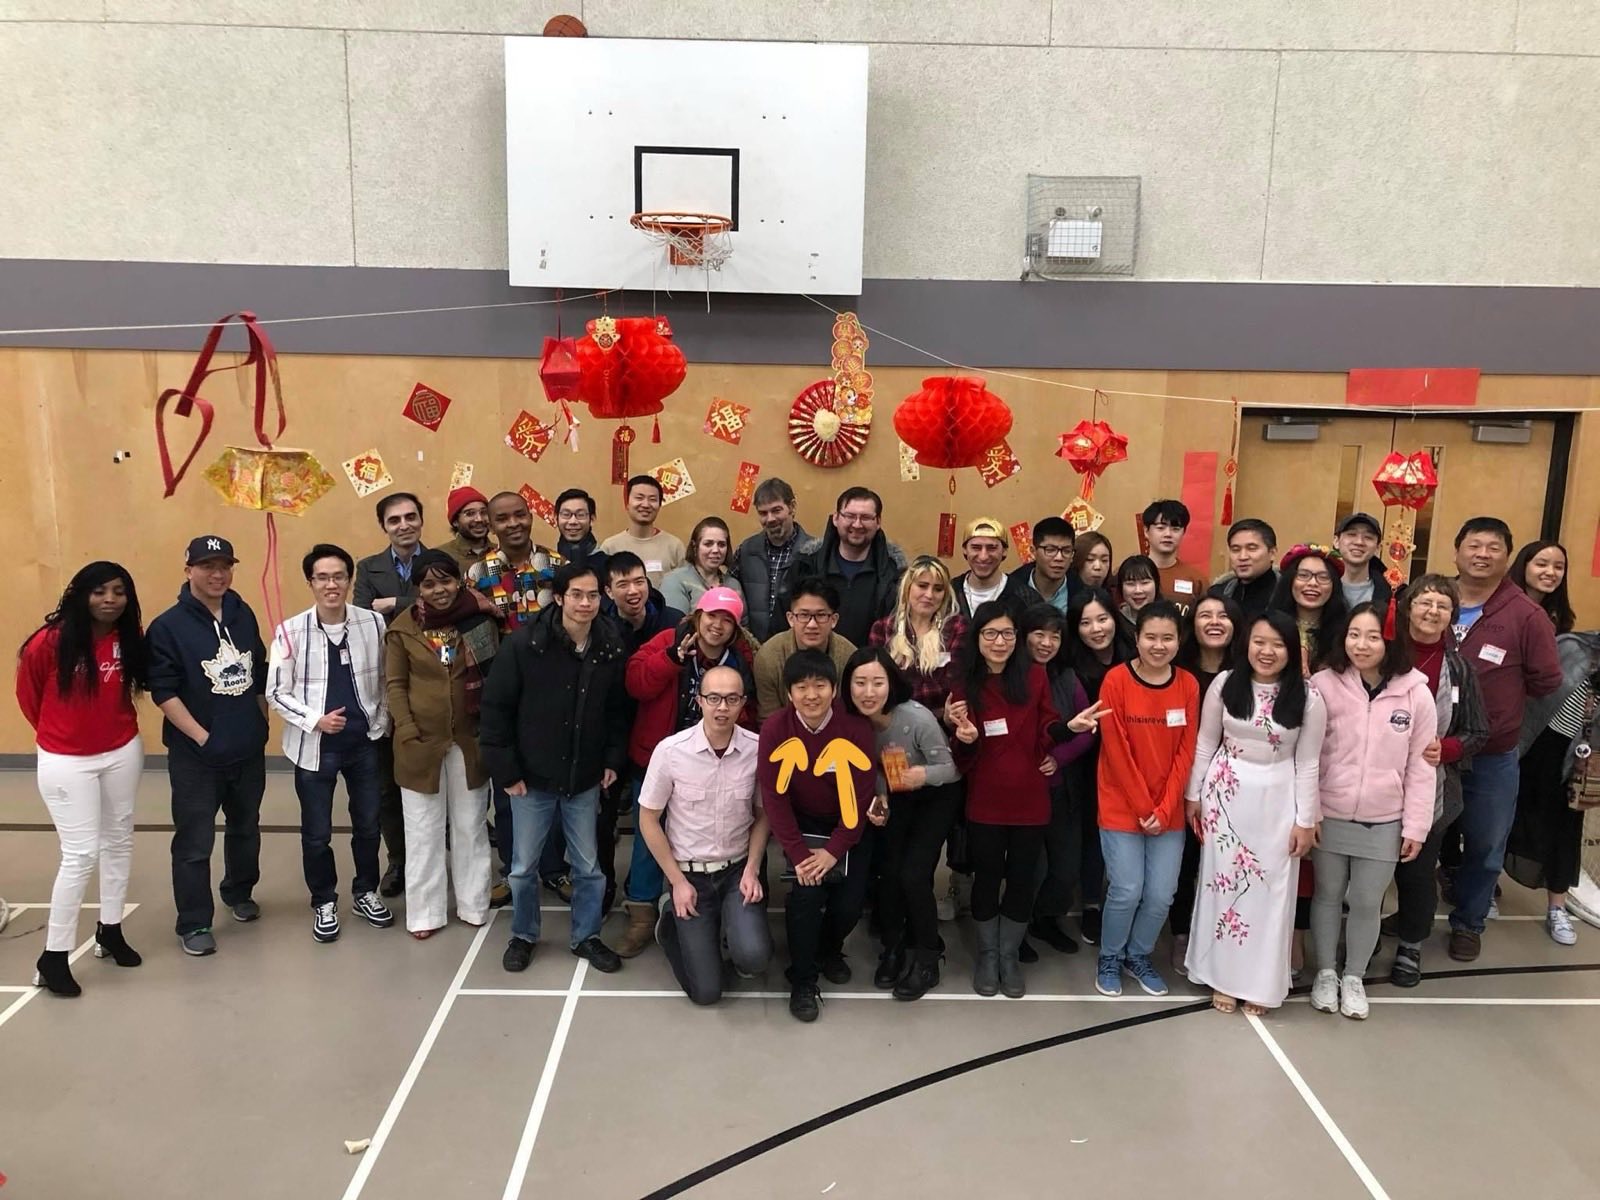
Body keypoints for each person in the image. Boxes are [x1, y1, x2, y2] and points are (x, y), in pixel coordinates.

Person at [481, 563, 629, 974]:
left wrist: (612, 760)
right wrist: (507, 772)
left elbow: (618, 712)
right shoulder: (525, 645)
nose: (586, 603)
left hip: (583, 780)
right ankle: (524, 934)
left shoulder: (610, 646)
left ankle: (587, 936)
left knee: (588, 868)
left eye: (594, 595)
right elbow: (496, 712)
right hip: (532, 780)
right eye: (577, 595)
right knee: (523, 867)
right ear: (560, 598)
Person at [15, 562, 148, 996]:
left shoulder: (128, 637)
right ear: (80, 594)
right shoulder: (48, 642)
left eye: (118, 591)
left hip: (121, 750)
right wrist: (63, 735)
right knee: (80, 854)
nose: (110, 600)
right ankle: (54, 956)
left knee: (119, 840)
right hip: (66, 761)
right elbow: (29, 696)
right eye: (99, 592)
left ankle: (110, 930)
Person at [1184, 610, 1325, 1014]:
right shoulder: (1225, 685)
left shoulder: (1309, 699)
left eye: (1277, 644)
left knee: (1271, 893)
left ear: (1291, 650)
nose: (1267, 651)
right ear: (1246, 644)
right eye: (1259, 642)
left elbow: (1309, 763)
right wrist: (1193, 795)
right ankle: (1221, 976)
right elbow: (1205, 744)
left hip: (1278, 801)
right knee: (1221, 885)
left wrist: (1305, 820)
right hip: (1224, 799)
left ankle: (1260, 983)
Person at [1308, 604, 1436, 1019]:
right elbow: (1307, 754)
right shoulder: (1324, 685)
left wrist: (1416, 825)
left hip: (1385, 820)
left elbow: (1421, 764)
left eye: (1372, 636)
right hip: (1330, 812)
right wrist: (1308, 812)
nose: (1361, 645)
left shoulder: (1417, 692)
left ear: (1390, 640)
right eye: (1353, 635)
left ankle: (1354, 977)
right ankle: (1325, 973)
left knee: (1366, 901)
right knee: (1327, 896)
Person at [618, 587, 758, 957]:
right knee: (650, 838)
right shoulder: (669, 639)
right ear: (698, 615)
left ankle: (711, 914)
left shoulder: (741, 659)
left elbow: (749, 706)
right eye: (712, 616)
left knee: (706, 831)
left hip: (712, 760)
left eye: (727, 620)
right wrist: (672, 659)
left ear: (735, 628)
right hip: (658, 756)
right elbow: (635, 683)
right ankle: (642, 912)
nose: (717, 625)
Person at [147, 535, 269, 957]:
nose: (217, 574)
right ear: (189, 571)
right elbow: (162, 691)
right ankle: (194, 921)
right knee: (195, 841)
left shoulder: (243, 612)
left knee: (245, 828)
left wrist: (260, 722)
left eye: (224, 566)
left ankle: (239, 891)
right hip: (197, 758)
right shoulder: (167, 627)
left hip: (247, 749)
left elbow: (258, 670)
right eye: (207, 566)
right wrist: (203, 737)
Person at [265, 544, 394, 943]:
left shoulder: (373, 623)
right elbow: (275, 692)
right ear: (311, 583)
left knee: (368, 826)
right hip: (314, 748)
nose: (331, 584)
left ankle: (365, 892)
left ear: (349, 580)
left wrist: (382, 719)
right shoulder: (289, 631)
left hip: (365, 743)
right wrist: (314, 720)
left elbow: (387, 678)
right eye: (322, 577)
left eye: (339, 576)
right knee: (317, 832)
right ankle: (324, 900)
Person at [1447, 517, 1562, 961]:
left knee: (1486, 842)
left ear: (1507, 558)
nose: (1482, 554)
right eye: (1474, 545)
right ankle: (1415, 914)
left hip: (1492, 754)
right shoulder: (1432, 597)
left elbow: (1546, 680)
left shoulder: (1525, 615)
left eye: (1493, 548)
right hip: (1429, 752)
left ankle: (1469, 921)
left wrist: (1499, 707)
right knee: (1423, 840)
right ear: (1457, 551)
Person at [946, 602, 1063, 998]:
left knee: (1022, 880)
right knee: (987, 878)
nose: (1000, 642)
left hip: (1030, 800)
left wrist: (1066, 731)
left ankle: (1009, 955)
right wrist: (963, 739)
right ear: (977, 639)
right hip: (985, 801)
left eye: (1008, 634)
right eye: (990, 633)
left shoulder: (1034, 677)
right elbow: (962, 758)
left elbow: (1047, 727)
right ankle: (988, 954)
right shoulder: (965, 685)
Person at [636, 664, 772, 1005]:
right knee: (707, 993)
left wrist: (753, 868)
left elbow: (763, 814)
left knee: (754, 957)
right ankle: (670, 925)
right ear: (699, 700)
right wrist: (677, 882)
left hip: (736, 870)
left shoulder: (758, 751)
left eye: (731, 699)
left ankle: (728, 931)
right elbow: (648, 819)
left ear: (743, 703)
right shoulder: (670, 751)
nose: (722, 707)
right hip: (689, 875)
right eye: (714, 698)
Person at [384, 551, 500, 937]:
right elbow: (396, 685)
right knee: (422, 831)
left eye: (446, 581)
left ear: (459, 582)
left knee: (470, 827)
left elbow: (492, 678)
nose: (439, 590)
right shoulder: (403, 630)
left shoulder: (479, 622)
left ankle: (473, 904)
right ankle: (425, 914)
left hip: (470, 741)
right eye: (429, 584)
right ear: (418, 589)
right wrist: (406, 730)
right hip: (419, 744)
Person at [759, 649, 876, 1022]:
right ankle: (803, 979)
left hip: (847, 825)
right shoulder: (775, 729)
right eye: (802, 687)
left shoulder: (856, 728)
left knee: (848, 905)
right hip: (802, 825)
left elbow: (859, 799)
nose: (811, 695)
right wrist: (798, 853)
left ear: (834, 689)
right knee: (805, 900)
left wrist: (834, 851)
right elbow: (774, 799)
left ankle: (829, 949)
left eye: (820, 686)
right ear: (789, 692)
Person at [1092, 601, 1200, 998]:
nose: (1158, 645)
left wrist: (1165, 807)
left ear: (1179, 641)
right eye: (1150, 637)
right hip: (1122, 806)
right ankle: (1109, 956)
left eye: (1167, 638)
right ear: (1136, 638)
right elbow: (1116, 750)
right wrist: (1142, 808)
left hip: (1167, 812)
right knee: (1126, 889)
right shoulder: (1115, 681)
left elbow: (1186, 752)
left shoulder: (1188, 685)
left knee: (1161, 895)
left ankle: (1138, 955)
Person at [1384, 577, 1488, 985]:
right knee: (1372, 869)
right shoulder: (1383, 655)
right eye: (1425, 602)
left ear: (1452, 616)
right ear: (1408, 607)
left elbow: (1479, 731)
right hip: (1375, 779)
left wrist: (1447, 749)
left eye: (1442, 606)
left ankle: (1411, 945)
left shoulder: (1460, 669)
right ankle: (1368, 935)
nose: (1432, 611)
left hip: (1434, 786)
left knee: (1417, 869)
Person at [843, 647, 961, 1000]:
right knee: (890, 873)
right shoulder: (851, 722)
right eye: (859, 682)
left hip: (936, 796)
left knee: (914, 873)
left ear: (891, 683)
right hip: (896, 795)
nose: (868, 692)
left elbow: (952, 769)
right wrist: (880, 796)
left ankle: (928, 956)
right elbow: (873, 768)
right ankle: (893, 947)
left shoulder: (917, 718)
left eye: (877, 682)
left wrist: (920, 775)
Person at [1017, 604, 1103, 958]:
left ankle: (1046, 918)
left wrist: (1059, 757)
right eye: (1039, 633)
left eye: (1055, 635)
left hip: (1062, 791)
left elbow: (1088, 730)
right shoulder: (1010, 676)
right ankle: (1016, 931)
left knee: (1065, 869)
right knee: (1027, 869)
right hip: (1020, 793)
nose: (1047, 642)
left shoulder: (1068, 678)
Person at [1509, 621, 1600, 945]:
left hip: (1577, 761)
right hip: (1534, 746)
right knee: (1506, 820)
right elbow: (1531, 693)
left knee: (1565, 833)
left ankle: (1557, 908)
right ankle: (1484, 891)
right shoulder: (1572, 646)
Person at [1168, 594, 1245, 973]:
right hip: (1181, 779)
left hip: (1237, 788)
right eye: (1205, 615)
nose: (1215, 622)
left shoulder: (1249, 672)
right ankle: (1181, 932)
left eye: (1223, 616)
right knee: (1186, 861)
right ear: (1192, 624)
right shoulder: (1176, 670)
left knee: (1226, 864)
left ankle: (1224, 937)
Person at [354, 493, 426, 897]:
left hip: (434, 681)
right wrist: (414, 605)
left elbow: (447, 604)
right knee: (388, 785)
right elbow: (364, 618)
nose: (403, 525)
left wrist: (396, 602)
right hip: (384, 685)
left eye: (410, 517)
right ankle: (398, 860)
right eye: (394, 519)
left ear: (421, 521)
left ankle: (434, 853)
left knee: (436, 778)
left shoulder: (439, 562)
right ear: (384, 526)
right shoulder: (368, 568)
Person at [1061, 586, 1135, 945]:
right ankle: (1091, 903)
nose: (1096, 629)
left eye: (1102, 619)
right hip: (1087, 760)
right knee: (1093, 833)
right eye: (1086, 622)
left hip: (1133, 757)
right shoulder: (1069, 665)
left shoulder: (1134, 653)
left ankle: (1126, 901)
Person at [791, 486, 906, 647]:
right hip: (814, 666)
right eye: (850, 516)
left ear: (878, 522)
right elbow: (784, 622)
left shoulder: (894, 574)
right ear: (836, 518)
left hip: (869, 668)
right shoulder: (806, 566)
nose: (857, 524)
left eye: (866, 517)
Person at [869, 555, 968, 710]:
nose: (929, 595)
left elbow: (954, 684)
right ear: (908, 587)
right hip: (894, 717)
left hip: (941, 722)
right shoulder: (882, 628)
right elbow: (878, 682)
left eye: (938, 589)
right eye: (922, 586)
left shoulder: (957, 627)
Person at [730, 477, 822, 642]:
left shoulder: (814, 553)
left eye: (776, 510)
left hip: (799, 648)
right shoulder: (746, 551)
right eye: (763, 513)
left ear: (792, 507)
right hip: (753, 647)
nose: (770, 519)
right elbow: (729, 589)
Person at [753, 579, 856, 720]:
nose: (812, 624)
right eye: (803, 615)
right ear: (790, 618)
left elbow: (851, 716)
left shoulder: (849, 657)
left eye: (821, 615)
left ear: (834, 620)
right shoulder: (769, 657)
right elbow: (769, 718)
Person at [466, 491, 561, 634]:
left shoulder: (557, 564)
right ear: (491, 527)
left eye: (520, 515)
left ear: (531, 518)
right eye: (502, 519)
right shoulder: (477, 573)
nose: (513, 523)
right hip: (501, 655)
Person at [1270, 544, 1348, 676]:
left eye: (1323, 577)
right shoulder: (1269, 626)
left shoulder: (1346, 633)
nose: (1313, 583)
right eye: (1303, 575)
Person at [600, 474, 684, 585]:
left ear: (659, 506)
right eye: (639, 498)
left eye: (652, 499)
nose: (646, 504)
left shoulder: (674, 546)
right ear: (627, 503)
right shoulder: (610, 547)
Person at [660, 516, 745, 616]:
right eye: (708, 544)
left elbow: (743, 627)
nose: (715, 550)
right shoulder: (675, 580)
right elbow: (673, 625)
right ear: (695, 546)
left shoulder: (734, 585)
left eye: (721, 544)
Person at [952, 518, 1031, 618]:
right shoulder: (949, 593)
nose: (983, 556)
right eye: (976, 548)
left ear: (1004, 550)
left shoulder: (1025, 597)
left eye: (992, 548)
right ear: (965, 550)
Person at [1142, 500, 1209, 617]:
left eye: (1175, 528)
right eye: (1160, 527)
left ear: (1184, 532)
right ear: (1146, 531)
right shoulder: (1129, 573)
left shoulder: (1197, 580)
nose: (1168, 534)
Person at [1210, 518, 1279, 621]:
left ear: (1272, 553)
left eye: (1252, 548)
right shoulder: (1217, 594)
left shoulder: (1288, 593)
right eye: (1235, 550)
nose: (1242, 557)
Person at [1008, 517, 1074, 614]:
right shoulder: (1011, 591)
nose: (1059, 558)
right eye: (1050, 550)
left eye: (1066, 551)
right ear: (1033, 551)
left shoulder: (1081, 594)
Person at [1512, 539, 1577, 635]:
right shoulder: (1504, 607)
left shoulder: (1556, 614)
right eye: (1541, 565)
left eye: (1558, 567)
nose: (1551, 572)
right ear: (1523, 566)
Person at [1334, 513, 1391, 612]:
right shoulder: (1323, 585)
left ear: (1378, 548)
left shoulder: (1392, 593)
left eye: (1368, 537)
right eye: (1352, 534)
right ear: (1336, 541)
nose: (1359, 542)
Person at [554, 488, 608, 574]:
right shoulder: (547, 563)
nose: (573, 521)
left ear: (592, 519)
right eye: (566, 515)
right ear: (556, 518)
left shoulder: (607, 565)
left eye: (580, 515)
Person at [440, 487, 493, 572]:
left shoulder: (502, 553)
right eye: (470, 514)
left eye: (484, 512)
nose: (479, 519)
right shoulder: (441, 556)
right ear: (455, 521)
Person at [1114, 555, 1162, 637]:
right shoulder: (1115, 621)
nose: (1138, 590)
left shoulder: (1170, 619)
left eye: (1145, 583)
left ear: (1156, 584)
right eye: (1130, 584)